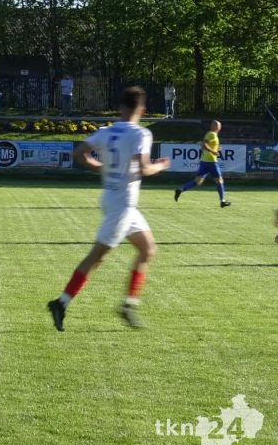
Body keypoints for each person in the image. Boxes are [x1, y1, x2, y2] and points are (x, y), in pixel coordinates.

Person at [46, 86, 170, 331]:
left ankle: (128, 305)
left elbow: (79, 153)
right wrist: (161, 165)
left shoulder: (107, 131)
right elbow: (144, 168)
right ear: (142, 110)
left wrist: (101, 167)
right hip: (122, 205)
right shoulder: (141, 134)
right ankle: (61, 302)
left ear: (121, 108)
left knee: (147, 250)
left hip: (116, 200)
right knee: (96, 257)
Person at [174, 120, 231, 208]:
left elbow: (204, 146)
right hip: (211, 162)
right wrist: (213, 152)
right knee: (219, 181)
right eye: (218, 125)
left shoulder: (212, 135)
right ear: (216, 127)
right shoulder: (212, 134)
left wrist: (216, 149)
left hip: (204, 162)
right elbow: (205, 145)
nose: (219, 127)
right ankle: (222, 201)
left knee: (197, 182)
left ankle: (180, 190)